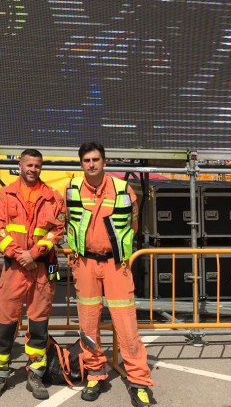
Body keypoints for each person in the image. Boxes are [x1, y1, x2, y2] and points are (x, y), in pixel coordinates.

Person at [67, 142, 153, 407]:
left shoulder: (123, 189)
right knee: (88, 325)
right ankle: (95, 373)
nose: (91, 164)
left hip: (116, 265)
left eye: (95, 159)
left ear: (104, 161)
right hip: (85, 264)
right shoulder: (71, 190)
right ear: (81, 164)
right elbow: (66, 222)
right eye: (86, 160)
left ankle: (139, 382)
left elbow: (134, 224)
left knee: (126, 324)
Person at [0, 149, 66, 400]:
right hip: (14, 268)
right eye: (29, 165)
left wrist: (35, 252)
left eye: (37, 166)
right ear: (20, 165)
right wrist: (19, 254)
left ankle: (35, 374)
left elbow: (58, 230)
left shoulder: (53, 198)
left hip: (40, 268)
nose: (33, 169)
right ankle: (1, 373)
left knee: (39, 324)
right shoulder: (5, 194)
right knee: (6, 322)